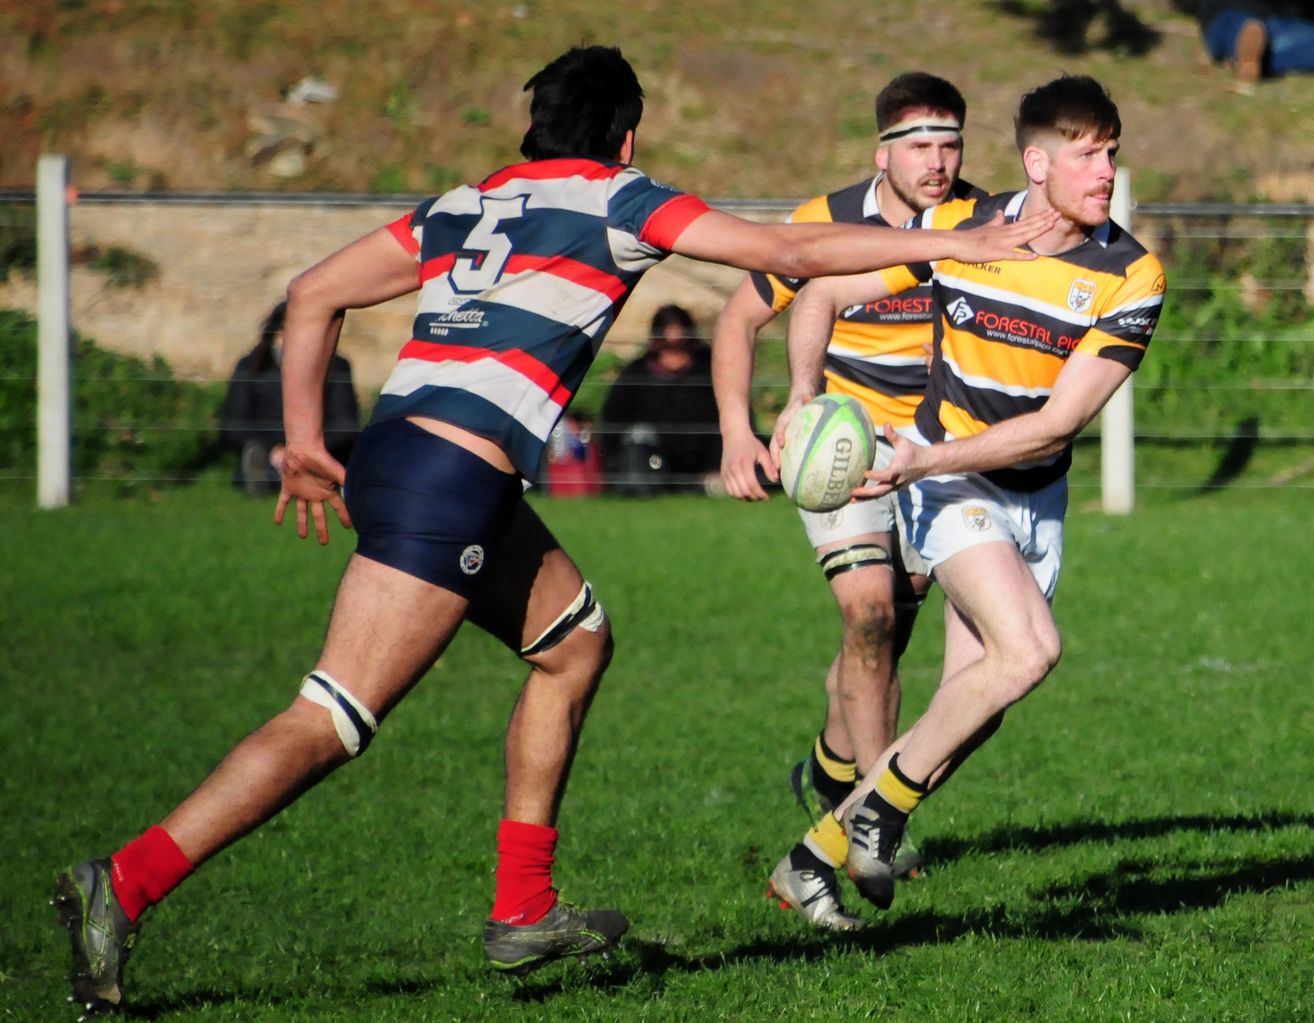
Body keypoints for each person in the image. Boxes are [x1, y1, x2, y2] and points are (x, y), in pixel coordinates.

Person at [51, 45, 1058, 1015]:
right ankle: (126, 881)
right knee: (331, 721)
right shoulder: (622, 197)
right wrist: (958, 242)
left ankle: (523, 909)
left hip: (416, 455)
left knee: (575, 645)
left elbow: (312, 295)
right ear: (626, 136)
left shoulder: (468, 201)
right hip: (453, 481)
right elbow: (787, 253)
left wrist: (308, 441)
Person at [767, 74, 1165, 926]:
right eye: (1088, 156)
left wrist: (920, 458)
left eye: (1112, 154)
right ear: (1037, 161)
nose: (1106, 172)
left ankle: (815, 856)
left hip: (1028, 491)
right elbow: (827, 290)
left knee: (972, 704)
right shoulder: (960, 231)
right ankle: (874, 817)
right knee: (1028, 652)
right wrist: (803, 393)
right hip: (948, 480)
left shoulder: (1131, 272)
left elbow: (1056, 427)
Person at [711, 72, 984, 930]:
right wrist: (740, 428)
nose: (937, 164)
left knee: (890, 641)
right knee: (868, 615)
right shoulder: (821, 222)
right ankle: (877, 828)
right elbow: (735, 320)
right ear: (881, 153)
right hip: (839, 442)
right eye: (918, 147)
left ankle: (835, 777)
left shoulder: (985, 225)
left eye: (949, 145)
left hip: (937, 450)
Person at [219, 301, 361, 495]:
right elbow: (232, 425)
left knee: (322, 463)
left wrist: (301, 451)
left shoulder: (336, 367)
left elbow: (345, 426)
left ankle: (303, 476)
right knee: (257, 456)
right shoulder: (250, 367)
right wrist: (273, 450)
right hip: (267, 451)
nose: (291, 341)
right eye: (285, 332)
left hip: (317, 450)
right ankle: (266, 476)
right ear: (273, 334)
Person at [600, 304, 721, 495]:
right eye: (667, 345)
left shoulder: (709, 371)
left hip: (705, 464)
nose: (674, 354)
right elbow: (612, 423)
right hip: (652, 462)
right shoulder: (636, 373)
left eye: (680, 346)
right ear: (656, 341)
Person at [1195, 0, 1314, 90]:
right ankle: (1247, 48)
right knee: (1237, 24)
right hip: (1228, 13)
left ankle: (1252, 56)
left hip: (1276, 23)